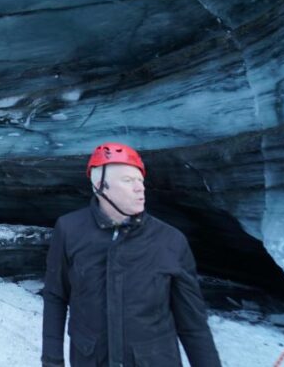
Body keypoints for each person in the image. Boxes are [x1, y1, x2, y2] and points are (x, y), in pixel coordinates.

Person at [41, 142, 221, 367]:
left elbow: (193, 325)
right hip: (91, 359)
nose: (139, 188)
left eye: (140, 180)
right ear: (100, 186)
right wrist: (52, 361)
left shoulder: (171, 241)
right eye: (127, 180)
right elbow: (56, 297)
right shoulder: (70, 230)